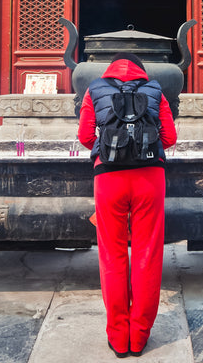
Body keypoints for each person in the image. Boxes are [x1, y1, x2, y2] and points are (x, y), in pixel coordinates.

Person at [76, 51, 177, 358]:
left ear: (110, 69)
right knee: (148, 253)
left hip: (108, 179)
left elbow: (83, 136)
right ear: (141, 71)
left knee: (112, 255)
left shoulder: (94, 89)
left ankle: (118, 337)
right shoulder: (156, 90)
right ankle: (140, 336)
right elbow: (169, 138)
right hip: (150, 178)